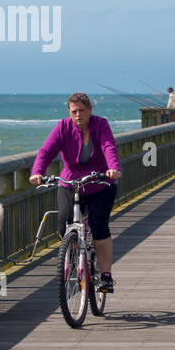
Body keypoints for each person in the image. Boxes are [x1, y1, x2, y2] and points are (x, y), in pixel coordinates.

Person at [29, 92, 122, 293]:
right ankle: (71, 256)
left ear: (89, 110)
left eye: (81, 110)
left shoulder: (101, 125)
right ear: (69, 112)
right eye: (74, 111)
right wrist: (37, 171)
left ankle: (105, 275)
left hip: (99, 182)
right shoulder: (63, 127)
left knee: (99, 225)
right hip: (70, 182)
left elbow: (108, 146)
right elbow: (46, 151)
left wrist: (113, 168)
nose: (78, 115)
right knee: (63, 222)